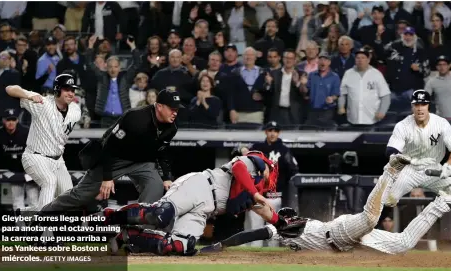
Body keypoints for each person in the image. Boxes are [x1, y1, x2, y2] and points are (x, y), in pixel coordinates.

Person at [103, 151, 280, 256]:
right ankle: (108, 217)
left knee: (182, 246)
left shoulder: (253, 193)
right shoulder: (254, 162)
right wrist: (256, 193)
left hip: (205, 210)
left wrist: (282, 224)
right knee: (160, 215)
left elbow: (266, 212)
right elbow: (238, 169)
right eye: (270, 172)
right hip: (200, 186)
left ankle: (127, 235)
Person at [37, 89, 183, 214]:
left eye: (177, 109)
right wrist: (108, 178)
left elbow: (162, 152)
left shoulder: (171, 127)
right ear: (159, 106)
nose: (175, 113)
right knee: (80, 195)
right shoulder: (135, 118)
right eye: (172, 109)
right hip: (114, 158)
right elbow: (109, 146)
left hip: (142, 162)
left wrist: (166, 177)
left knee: (155, 187)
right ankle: (42, 214)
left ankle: (138, 232)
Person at [200, 190, 451, 255]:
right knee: (404, 243)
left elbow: (252, 233)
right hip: (346, 245)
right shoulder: (287, 230)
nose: (284, 218)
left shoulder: (287, 226)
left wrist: (222, 244)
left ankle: (389, 174)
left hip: (338, 232)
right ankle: (440, 204)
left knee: (370, 218)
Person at [5, 72, 82, 211]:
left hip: (58, 161)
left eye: (73, 90)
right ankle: (42, 228)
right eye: (67, 89)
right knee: (49, 181)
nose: (71, 93)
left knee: (69, 198)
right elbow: (10, 89)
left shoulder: (76, 110)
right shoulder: (42, 103)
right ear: (57, 89)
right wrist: (28, 95)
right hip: (35, 156)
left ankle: (27, 213)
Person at [386, 90, 451, 206]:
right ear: (412, 106)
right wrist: (408, 161)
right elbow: (391, 151)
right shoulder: (403, 125)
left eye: (423, 104)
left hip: (435, 170)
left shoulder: (441, 123)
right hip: (409, 170)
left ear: (428, 106)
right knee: (389, 200)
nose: (420, 108)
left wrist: (448, 165)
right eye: (417, 104)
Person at [245, 121, 299, 247]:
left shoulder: (284, 150)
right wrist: (243, 149)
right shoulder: (256, 148)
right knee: (255, 230)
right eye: (270, 130)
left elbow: (294, 170)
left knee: (273, 232)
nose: (272, 133)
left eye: (275, 131)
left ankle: (272, 261)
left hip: (275, 197)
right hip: (257, 196)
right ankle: (252, 259)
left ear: (279, 133)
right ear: (266, 132)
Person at [0, 108, 39, 211]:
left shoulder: (26, 132)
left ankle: (35, 226)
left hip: (29, 169)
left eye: (13, 120)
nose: (11, 123)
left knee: (34, 200)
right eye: (8, 120)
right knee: (17, 200)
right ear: (3, 120)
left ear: (17, 120)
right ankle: (20, 227)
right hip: (13, 170)